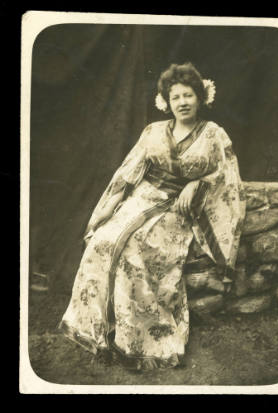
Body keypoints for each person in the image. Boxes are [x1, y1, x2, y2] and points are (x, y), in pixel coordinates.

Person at [59, 62, 246, 370]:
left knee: (134, 248)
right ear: (166, 102)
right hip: (142, 198)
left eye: (188, 95)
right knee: (103, 240)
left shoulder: (214, 134)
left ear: (201, 98)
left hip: (178, 209)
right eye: (176, 97)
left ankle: (135, 341)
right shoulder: (154, 132)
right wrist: (105, 212)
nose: (183, 102)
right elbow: (128, 174)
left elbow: (227, 176)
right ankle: (97, 329)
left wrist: (197, 183)